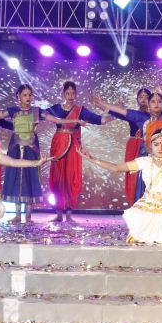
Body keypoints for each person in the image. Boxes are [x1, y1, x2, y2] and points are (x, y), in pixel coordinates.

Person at [0, 84, 81, 224]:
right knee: (16, 177)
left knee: (30, 177)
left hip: (31, 148)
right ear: (18, 96)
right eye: (25, 95)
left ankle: (28, 216)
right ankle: (17, 216)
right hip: (15, 147)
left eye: (30, 95)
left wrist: (74, 120)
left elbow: (57, 120)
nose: (28, 97)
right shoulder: (13, 111)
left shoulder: (37, 111)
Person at [46, 81, 107, 222]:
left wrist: (115, 114)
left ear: (76, 94)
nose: (70, 96)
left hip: (73, 146)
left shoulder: (80, 110)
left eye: (73, 93)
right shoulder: (56, 109)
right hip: (58, 145)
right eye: (67, 93)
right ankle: (58, 213)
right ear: (63, 94)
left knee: (71, 177)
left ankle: (69, 214)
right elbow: (40, 114)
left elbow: (98, 120)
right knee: (58, 177)